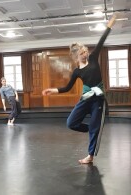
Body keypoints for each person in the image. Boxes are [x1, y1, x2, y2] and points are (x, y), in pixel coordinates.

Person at [41, 14, 117, 164]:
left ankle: (90, 156)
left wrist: (110, 25)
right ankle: (93, 129)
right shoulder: (77, 71)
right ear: (76, 57)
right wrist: (52, 90)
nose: (85, 53)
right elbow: (67, 88)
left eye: (85, 51)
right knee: (71, 123)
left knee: (95, 127)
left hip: (98, 100)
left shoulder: (94, 58)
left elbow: (102, 40)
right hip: (86, 98)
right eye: (82, 53)